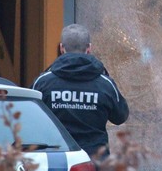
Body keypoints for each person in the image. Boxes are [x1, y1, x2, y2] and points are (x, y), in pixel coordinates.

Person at [32, 24, 129, 161]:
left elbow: (30, 119)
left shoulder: (43, 83)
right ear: (89, 48)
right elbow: (121, 116)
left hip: (56, 162)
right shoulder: (105, 84)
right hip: (95, 163)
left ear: (61, 48)